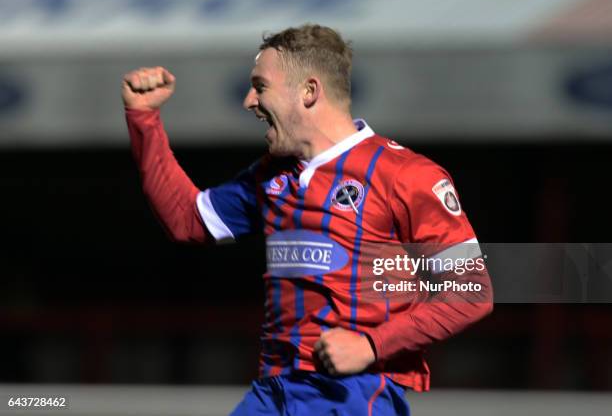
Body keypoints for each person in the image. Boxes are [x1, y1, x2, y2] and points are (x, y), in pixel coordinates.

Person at [122, 24, 493, 415]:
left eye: (260, 86)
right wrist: (143, 119)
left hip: (352, 394)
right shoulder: (272, 176)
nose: (249, 101)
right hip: (273, 391)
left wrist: (371, 345)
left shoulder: (405, 175)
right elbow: (187, 220)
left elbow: (471, 292)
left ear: (309, 92)